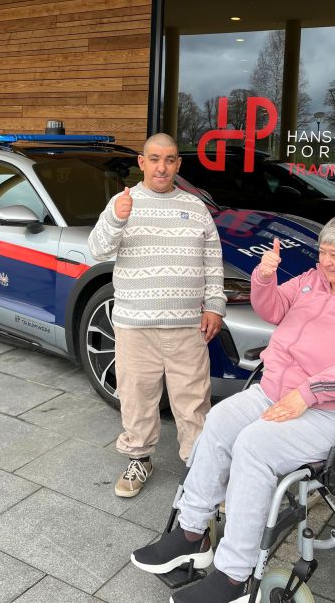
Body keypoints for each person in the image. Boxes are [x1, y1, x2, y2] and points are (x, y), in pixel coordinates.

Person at [130, 214, 335, 603]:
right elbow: (272, 310)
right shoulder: (311, 280)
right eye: (323, 252)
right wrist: (264, 277)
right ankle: (192, 533)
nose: (325, 262)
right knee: (219, 420)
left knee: (254, 446)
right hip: (275, 390)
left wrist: (309, 392)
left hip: (332, 410)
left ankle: (234, 577)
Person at [88, 133, 226, 498]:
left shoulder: (196, 208)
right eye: (154, 159)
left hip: (187, 327)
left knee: (194, 401)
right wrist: (116, 219)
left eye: (169, 160)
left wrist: (215, 306)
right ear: (142, 162)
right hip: (135, 326)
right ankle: (139, 459)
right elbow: (97, 250)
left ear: (178, 164)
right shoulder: (123, 202)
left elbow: (213, 261)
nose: (161, 167)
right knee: (136, 397)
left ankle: (199, 467)